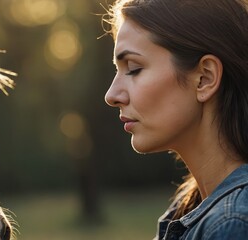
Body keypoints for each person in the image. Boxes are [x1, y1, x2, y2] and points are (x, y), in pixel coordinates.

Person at [104, 0, 248, 239]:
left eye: (133, 68)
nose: (112, 95)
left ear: (205, 78)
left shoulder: (231, 225)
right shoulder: (188, 207)